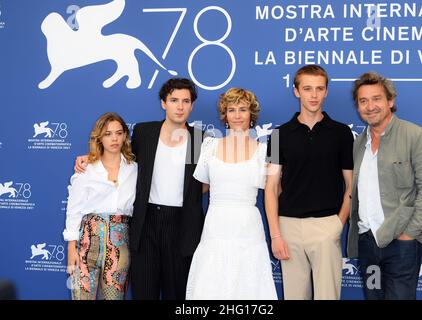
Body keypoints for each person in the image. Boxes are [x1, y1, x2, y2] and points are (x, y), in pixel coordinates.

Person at [75, 78, 204, 300]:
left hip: (182, 227)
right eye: (174, 100)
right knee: (144, 293)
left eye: (186, 101)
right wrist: (91, 158)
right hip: (145, 226)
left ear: (192, 105)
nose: (180, 106)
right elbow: (121, 157)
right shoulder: (145, 133)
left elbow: (201, 183)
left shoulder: (198, 140)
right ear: (163, 103)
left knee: (178, 295)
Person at [347, 71, 422, 300]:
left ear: (390, 101)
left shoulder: (416, 136)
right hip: (368, 243)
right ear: (358, 106)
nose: (370, 106)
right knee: (373, 296)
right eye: (363, 101)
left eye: (377, 99)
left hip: (401, 244)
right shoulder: (359, 143)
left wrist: (409, 234)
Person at [265, 65, 353, 300]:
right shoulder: (278, 135)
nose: (313, 95)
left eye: (319, 89)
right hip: (288, 228)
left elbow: (351, 186)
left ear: (326, 92)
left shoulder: (342, 133)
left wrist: (338, 223)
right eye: (307, 89)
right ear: (296, 91)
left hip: (327, 226)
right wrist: (276, 234)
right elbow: (271, 188)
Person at [185, 88, 277, 300]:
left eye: (242, 109)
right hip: (215, 224)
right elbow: (198, 187)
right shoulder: (208, 145)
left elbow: (275, 190)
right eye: (231, 109)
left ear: (251, 114)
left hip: (248, 226)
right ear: (224, 115)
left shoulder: (267, 150)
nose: (237, 115)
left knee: (249, 287)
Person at [64, 112, 137, 300]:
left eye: (118, 133)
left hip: (119, 245)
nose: (114, 138)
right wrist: (71, 249)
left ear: (124, 136)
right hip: (86, 244)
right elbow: (74, 210)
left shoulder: (134, 168)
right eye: (108, 133)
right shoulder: (86, 168)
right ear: (99, 138)